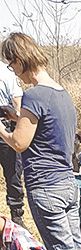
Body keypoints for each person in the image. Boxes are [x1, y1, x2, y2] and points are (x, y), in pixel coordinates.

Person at [0, 33, 81, 250]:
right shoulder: (61, 94)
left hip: (46, 186)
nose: (11, 70)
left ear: (19, 60)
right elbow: (45, 130)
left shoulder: (34, 95)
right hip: (67, 183)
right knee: (76, 249)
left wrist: (2, 129)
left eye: (11, 64)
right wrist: (15, 116)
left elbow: (19, 143)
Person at [0, 59, 23, 224]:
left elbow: (17, 101)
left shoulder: (6, 72)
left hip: (5, 122)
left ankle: (17, 216)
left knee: (13, 172)